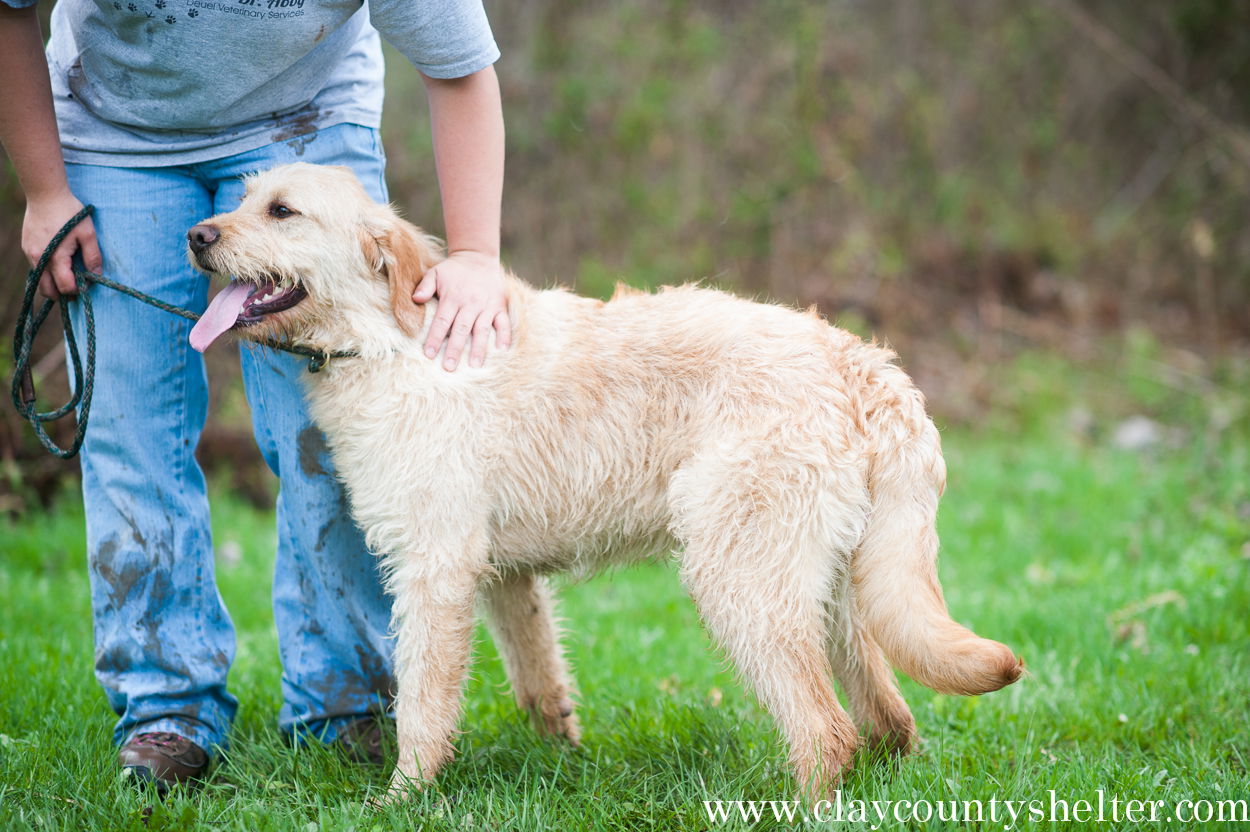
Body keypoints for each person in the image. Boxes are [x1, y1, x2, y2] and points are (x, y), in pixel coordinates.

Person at [0, 0, 509, 791]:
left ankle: (347, 706)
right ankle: (166, 710)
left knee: (334, 442)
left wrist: (476, 252)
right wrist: (44, 191)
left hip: (303, 122)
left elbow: (459, 63)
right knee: (129, 433)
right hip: (114, 135)